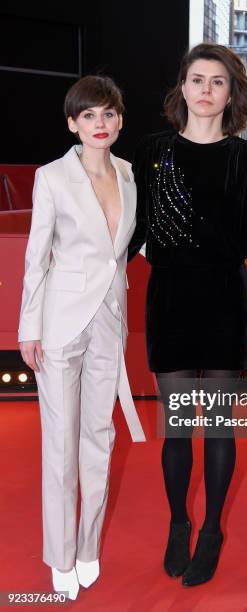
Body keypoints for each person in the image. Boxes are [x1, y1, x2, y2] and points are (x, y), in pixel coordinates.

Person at [127, 43, 247, 586]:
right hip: (170, 300)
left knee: (219, 429)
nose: (206, 90)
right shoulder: (151, 150)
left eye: (217, 82)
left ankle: (212, 530)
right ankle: (179, 524)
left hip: (225, 302)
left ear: (230, 94)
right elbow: (132, 228)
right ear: (181, 87)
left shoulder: (246, 158)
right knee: (179, 427)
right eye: (197, 79)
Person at [18, 75, 145, 600]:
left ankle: (89, 547)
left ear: (119, 120)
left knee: (100, 438)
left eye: (109, 114)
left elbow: (121, 250)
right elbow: (36, 255)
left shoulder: (129, 173)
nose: (100, 124)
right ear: (73, 123)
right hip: (60, 322)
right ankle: (60, 555)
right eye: (89, 115)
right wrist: (29, 327)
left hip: (109, 320)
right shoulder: (51, 177)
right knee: (61, 445)